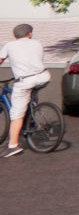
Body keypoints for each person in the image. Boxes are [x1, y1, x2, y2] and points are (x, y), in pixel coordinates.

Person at [2, 23, 49, 157]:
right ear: (29, 34)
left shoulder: (9, 45)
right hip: (43, 77)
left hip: (25, 81)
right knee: (32, 92)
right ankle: (32, 112)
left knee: (16, 113)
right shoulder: (37, 43)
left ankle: (13, 146)